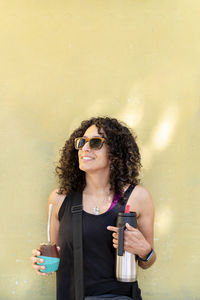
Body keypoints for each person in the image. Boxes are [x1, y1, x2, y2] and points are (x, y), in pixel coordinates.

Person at [31, 117, 156, 300]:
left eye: (95, 143)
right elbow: (55, 256)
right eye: (82, 142)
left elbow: (148, 261)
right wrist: (41, 262)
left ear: (115, 152)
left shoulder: (138, 197)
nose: (85, 149)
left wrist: (144, 250)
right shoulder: (59, 199)